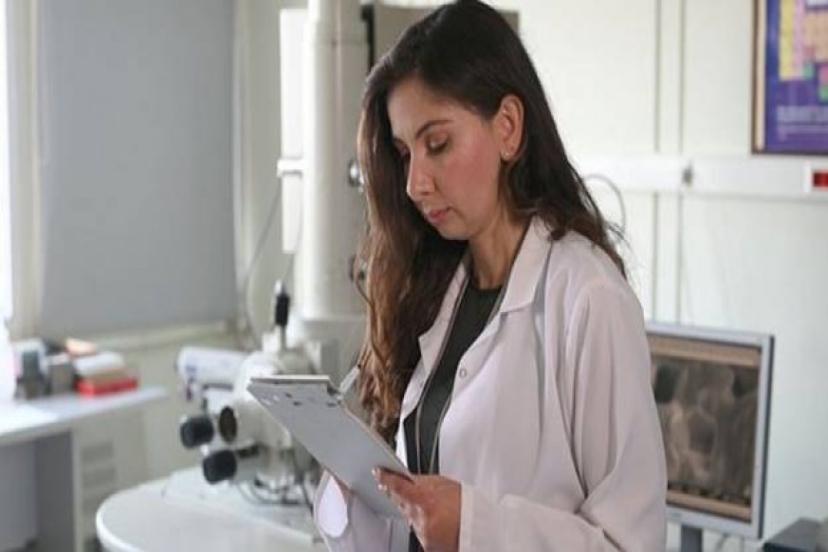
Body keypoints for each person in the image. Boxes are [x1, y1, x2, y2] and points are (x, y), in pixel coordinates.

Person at [313, 1, 667, 550]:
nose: (414, 184)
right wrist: (356, 487)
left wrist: (477, 527)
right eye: (405, 154)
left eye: (437, 145)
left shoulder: (588, 297)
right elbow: (411, 527)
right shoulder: (435, 292)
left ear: (508, 128)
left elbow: (631, 544)